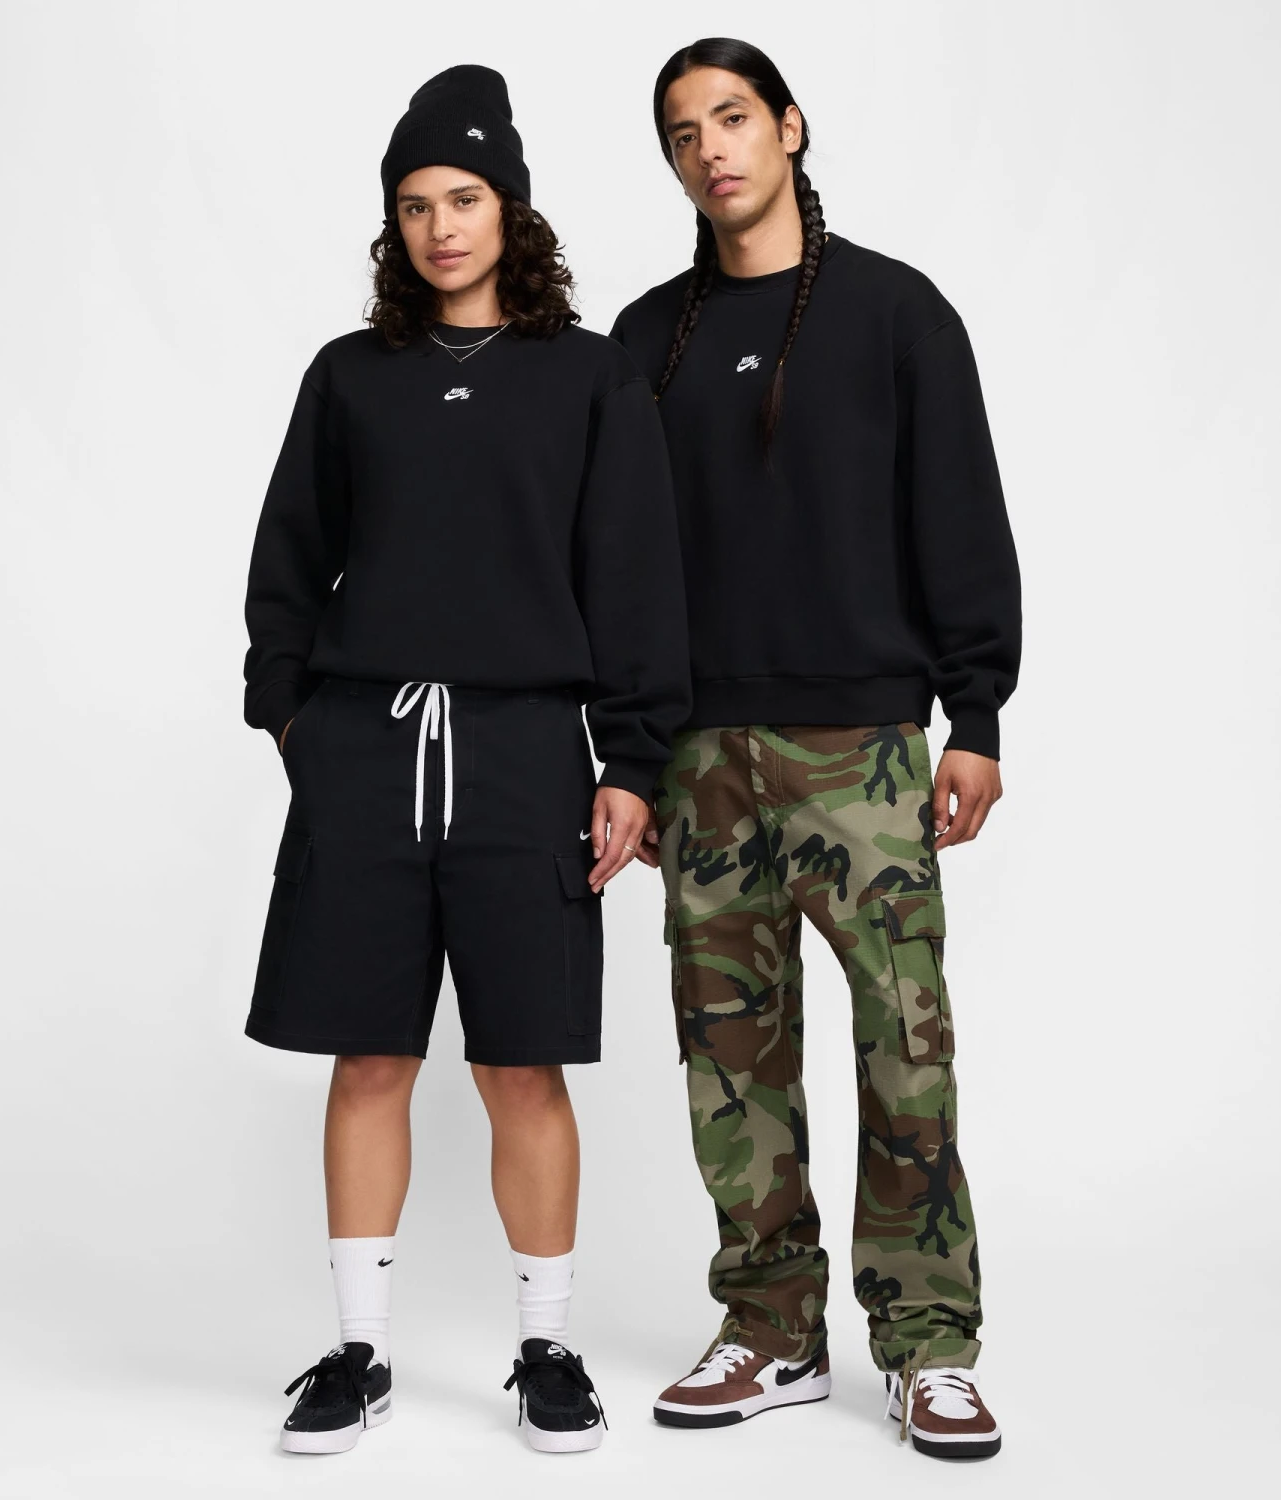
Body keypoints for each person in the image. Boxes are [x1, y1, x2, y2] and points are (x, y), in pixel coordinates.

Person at [242, 63, 689, 1456]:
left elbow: (633, 580)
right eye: (416, 204)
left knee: (523, 1066)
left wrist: (631, 763)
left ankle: (546, 1345)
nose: (441, 227)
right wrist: (297, 721)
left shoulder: (591, 378)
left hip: (524, 751)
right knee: (368, 1057)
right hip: (366, 750)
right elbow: (288, 564)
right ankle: (358, 1350)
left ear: (511, 211)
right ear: (396, 222)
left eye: (465, 198)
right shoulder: (350, 376)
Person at [610, 38, 1020, 1460]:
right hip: (700, 757)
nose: (710, 149)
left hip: (866, 750)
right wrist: (629, 754)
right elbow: (617, 565)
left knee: (907, 1048)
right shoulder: (645, 342)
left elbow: (959, 511)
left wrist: (976, 714)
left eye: (732, 117)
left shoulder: (896, 313)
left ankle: (929, 1344)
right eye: (682, 133)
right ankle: (772, 1328)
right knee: (731, 1061)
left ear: (789, 126)